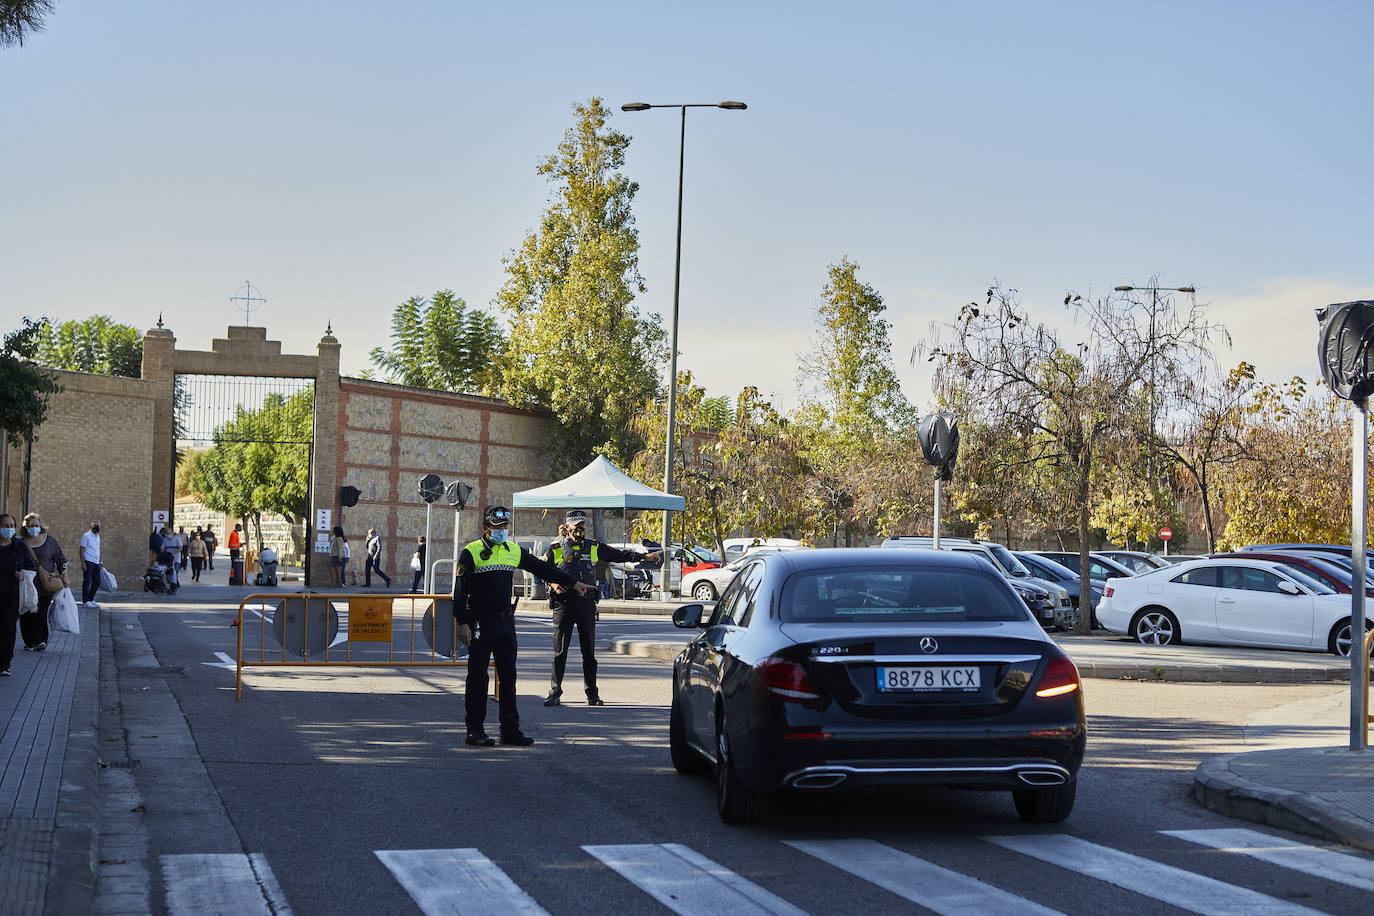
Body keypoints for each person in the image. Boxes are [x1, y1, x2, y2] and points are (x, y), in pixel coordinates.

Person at [454, 505, 593, 747]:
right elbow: (459, 592)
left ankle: (509, 730)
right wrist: (462, 623)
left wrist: (572, 582)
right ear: (486, 529)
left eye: (505, 527)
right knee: (477, 678)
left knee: (509, 677)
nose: (502, 531)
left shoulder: (512, 550)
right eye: (497, 527)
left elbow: (543, 568)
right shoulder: (471, 552)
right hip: (481, 623)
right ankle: (474, 730)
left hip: (506, 623)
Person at [542, 510, 661, 707]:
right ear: (568, 527)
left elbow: (620, 555)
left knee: (588, 653)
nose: (580, 529)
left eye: (583, 526)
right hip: (563, 605)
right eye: (577, 526)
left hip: (586, 605)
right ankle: (555, 692)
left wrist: (645, 556)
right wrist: (552, 584)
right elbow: (543, 570)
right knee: (560, 652)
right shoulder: (555, 548)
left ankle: (592, 694)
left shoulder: (593, 547)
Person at [22, 513, 67, 652]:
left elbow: (61, 560)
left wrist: (64, 576)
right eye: (31, 526)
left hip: (45, 584)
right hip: (26, 586)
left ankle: (41, 640)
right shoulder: (20, 542)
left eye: (36, 525)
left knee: (41, 612)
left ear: (41, 526)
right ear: (25, 527)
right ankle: (29, 641)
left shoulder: (50, 542)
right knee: (26, 614)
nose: (34, 528)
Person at [0, 514, 37, 677]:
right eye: (5, 526)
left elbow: (31, 566)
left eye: (11, 526)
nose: (8, 529)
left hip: (12, 598)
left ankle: (4, 665)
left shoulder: (19, 546)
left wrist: (23, 572)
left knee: (7, 631)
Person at [80, 519, 102, 608]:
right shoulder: (86, 536)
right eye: (95, 526)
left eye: (98, 527)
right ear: (90, 527)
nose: (96, 528)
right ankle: (85, 601)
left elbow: (97, 549)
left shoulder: (98, 536)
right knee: (87, 581)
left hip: (96, 562)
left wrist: (100, 561)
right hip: (88, 561)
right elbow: (81, 550)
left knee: (97, 581)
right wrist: (83, 563)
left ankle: (91, 599)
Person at [162, 526, 182, 592]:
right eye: (166, 533)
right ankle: (172, 585)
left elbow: (180, 548)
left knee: (175, 572)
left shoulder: (177, 539)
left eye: (168, 533)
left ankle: (174, 585)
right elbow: (162, 548)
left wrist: (174, 554)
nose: (167, 535)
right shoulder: (165, 540)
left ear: (172, 532)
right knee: (169, 573)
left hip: (176, 559)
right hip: (168, 559)